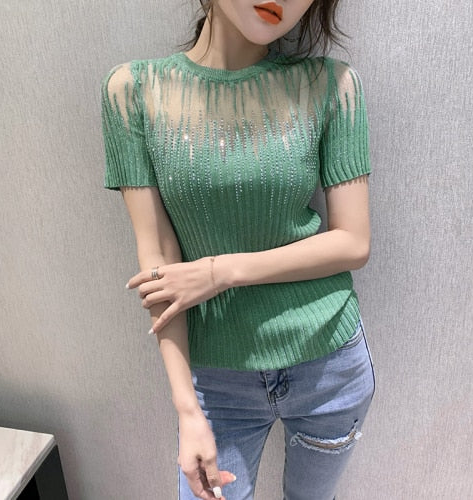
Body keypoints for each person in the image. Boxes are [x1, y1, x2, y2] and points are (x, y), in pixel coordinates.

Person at [101, 0, 375, 498]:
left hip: (328, 366)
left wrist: (219, 271)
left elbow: (353, 242)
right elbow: (157, 258)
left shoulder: (332, 86)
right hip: (216, 381)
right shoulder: (133, 92)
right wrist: (187, 409)